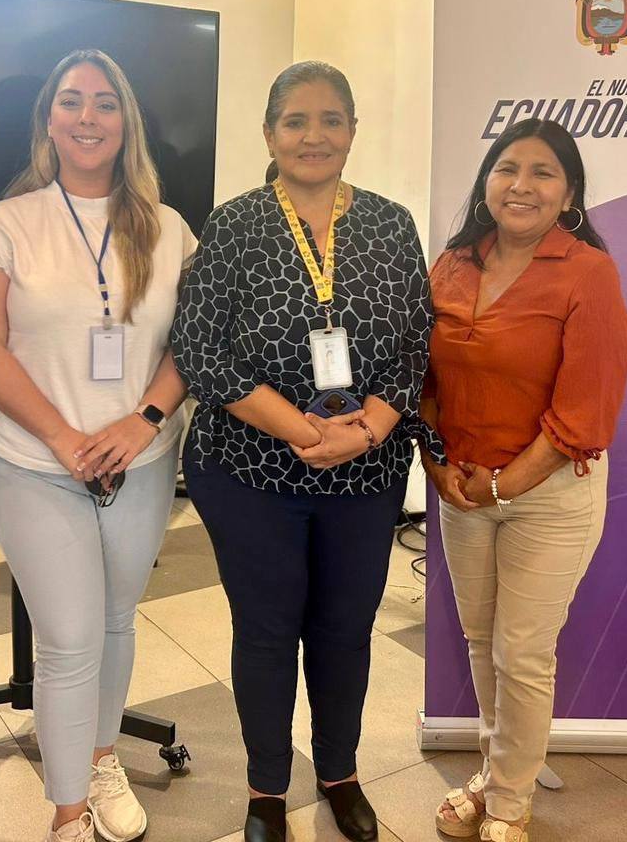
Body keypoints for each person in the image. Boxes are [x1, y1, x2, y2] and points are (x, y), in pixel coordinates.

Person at [172, 61, 433, 842]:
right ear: (269, 134)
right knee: (265, 632)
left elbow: (417, 343)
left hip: (367, 470)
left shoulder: (390, 225)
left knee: (344, 630)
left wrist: (370, 428)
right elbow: (200, 351)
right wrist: (301, 429)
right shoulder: (236, 224)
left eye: (330, 120)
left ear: (352, 131)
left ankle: (340, 773)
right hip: (250, 470)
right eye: (295, 121)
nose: (313, 136)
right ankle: (266, 791)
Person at [0, 49, 195, 842]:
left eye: (104, 103)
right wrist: (62, 437)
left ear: (127, 123)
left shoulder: (169, 229)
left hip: (140, 460)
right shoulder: (5, 225)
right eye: (71, 102)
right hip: (34, 461)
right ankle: (67, 814)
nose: (88, 117)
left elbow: (192, 342)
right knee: (67, 639)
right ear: (48, 121)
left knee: (117, 619)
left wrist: (143, 422)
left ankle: (100, 759)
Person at [426, 119, 627, 842]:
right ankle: (495, 774)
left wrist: (502, 486)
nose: (521, 185)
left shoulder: (588, 273)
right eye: (506, 168)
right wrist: (438, 464)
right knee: (481, 641)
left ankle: (510, 804)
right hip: (462, 491)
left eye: (543, 172)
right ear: (486, 182)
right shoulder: (452, 264)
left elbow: (585, 412)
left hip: (548, 497)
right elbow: (422, 380)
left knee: (521, 653)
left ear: (569, 194)